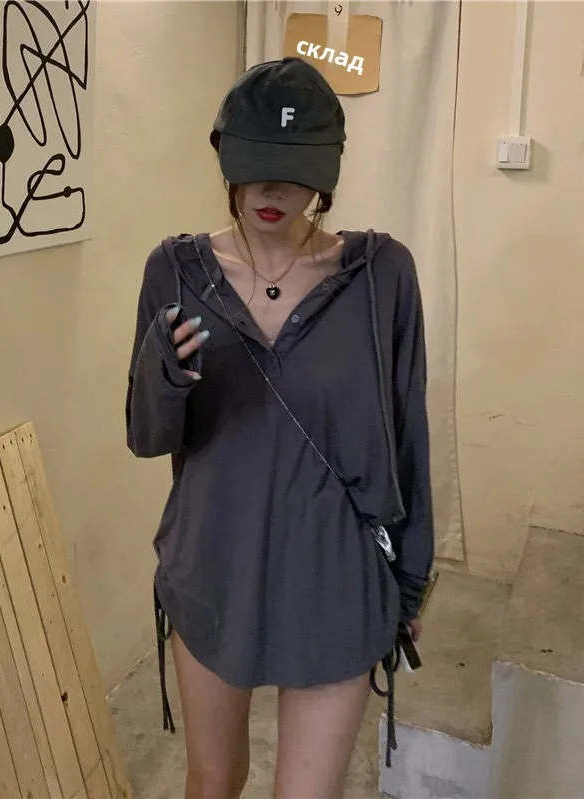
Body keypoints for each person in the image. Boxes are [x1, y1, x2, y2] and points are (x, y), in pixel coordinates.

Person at [125, 56, 434, 799]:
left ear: (326, 172)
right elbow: (146, 435)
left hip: (335, 575)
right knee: (214, 779)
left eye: (296, 171)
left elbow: (408, 437)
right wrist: (167, 375)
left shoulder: (380, 277)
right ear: (226, 158)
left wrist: (410, 584)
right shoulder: (176, 271)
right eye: (257, 166)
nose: (273, 190)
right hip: (213, 568)